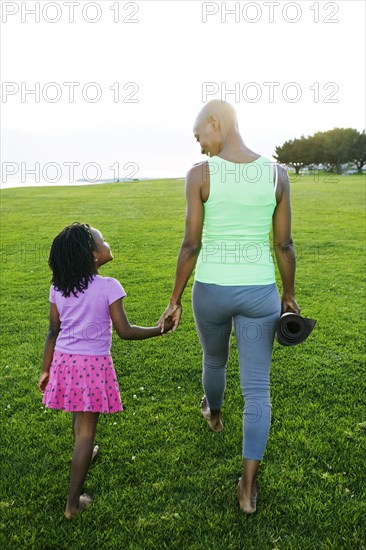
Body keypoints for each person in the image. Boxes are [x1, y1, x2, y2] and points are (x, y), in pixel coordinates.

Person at [159, 100, 300, 514]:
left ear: (215, 123)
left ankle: (215, 414)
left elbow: (191, 244)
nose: (200, 146)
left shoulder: (200, 176)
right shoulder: (277, 174)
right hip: (260, 293)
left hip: (212, 290)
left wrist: (174, 299)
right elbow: (284, 244)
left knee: (215, 360)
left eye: (199, 135)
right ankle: (248, 488)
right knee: (258, 390)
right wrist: (287, 294)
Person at [38, 222, 173, 519]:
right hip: (92, 365)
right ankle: (72, 504)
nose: (107, 243)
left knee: (79, 416)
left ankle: (85, 452)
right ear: (93, 256)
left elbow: (52, 332)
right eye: (103, 241)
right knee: (86, 431)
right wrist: (158, 330)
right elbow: (125, 331)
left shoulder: (59, 287)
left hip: (64, 362)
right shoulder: (109, 286)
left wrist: (45, 370)